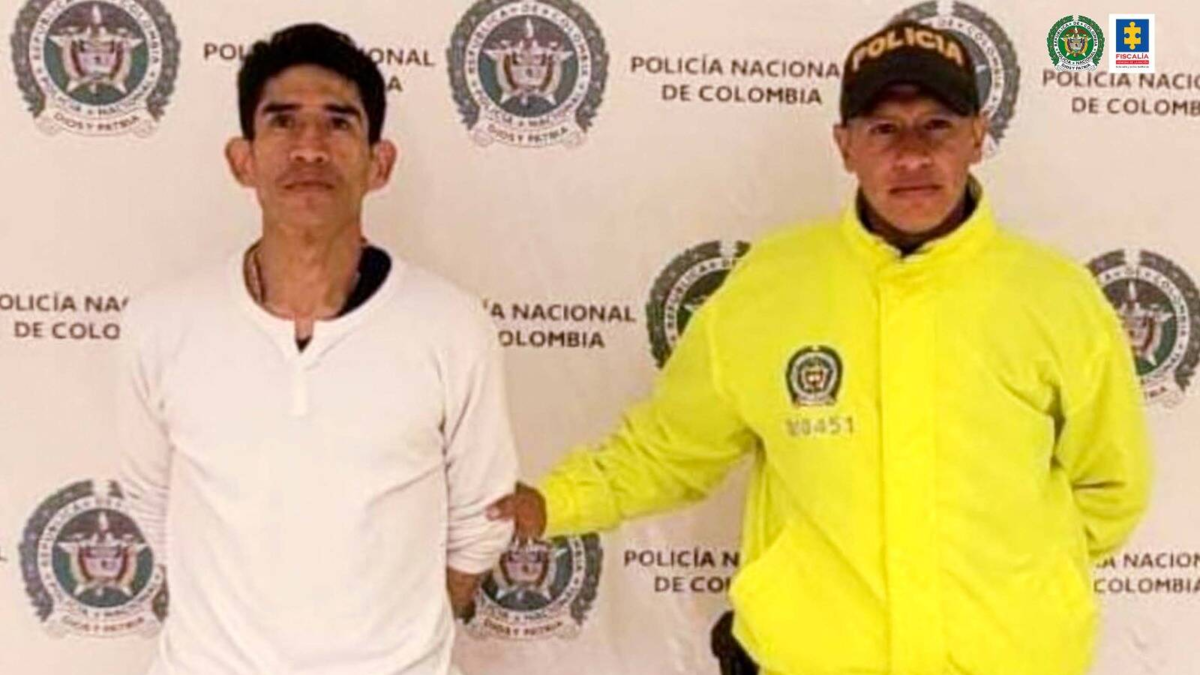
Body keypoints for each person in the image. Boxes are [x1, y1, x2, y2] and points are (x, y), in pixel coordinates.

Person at [489, 20, 1151, 675]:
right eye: (884, 129)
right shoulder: (772, 286)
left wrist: (1018, 585)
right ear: (844, 146)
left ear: (977, 137)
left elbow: (1111, 488)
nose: (912, 156)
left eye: (937, 126)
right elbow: (669, 449)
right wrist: (551, 503)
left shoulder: (1056, 296)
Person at [118, 23, 517, 675]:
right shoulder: (160, 325)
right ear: (242, 160)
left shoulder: (451, 325)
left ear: (379, 163)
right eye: (282, 122)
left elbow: (480, 524)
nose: (309, 148)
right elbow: (153, 508)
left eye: (338, 123)